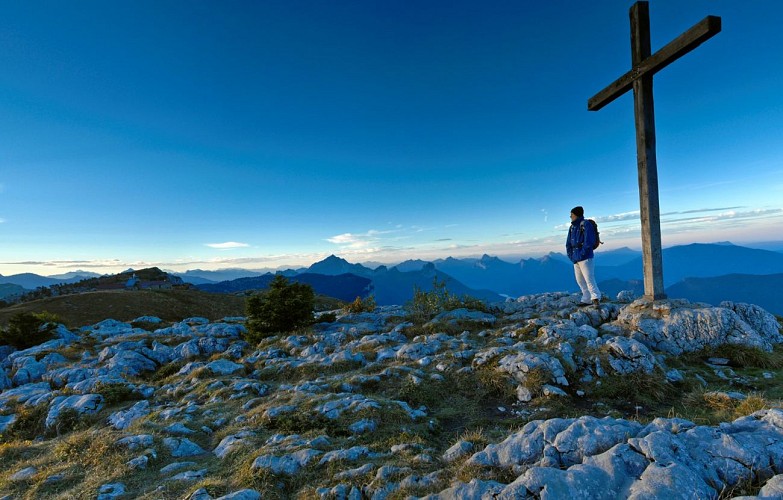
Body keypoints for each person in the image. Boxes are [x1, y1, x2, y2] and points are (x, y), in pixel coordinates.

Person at [566, 206, 602, 306]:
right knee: (580, 280)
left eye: (572, 215)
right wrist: (571, 256)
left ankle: (595, 298)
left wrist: (582, 254)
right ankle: (586, 298)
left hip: (585, 257)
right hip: (576, 258)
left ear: (576, 215)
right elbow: (568, 243)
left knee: (589, 278)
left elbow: (588, 241)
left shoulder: (586, 224)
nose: (570, 217)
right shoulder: (572, 227)